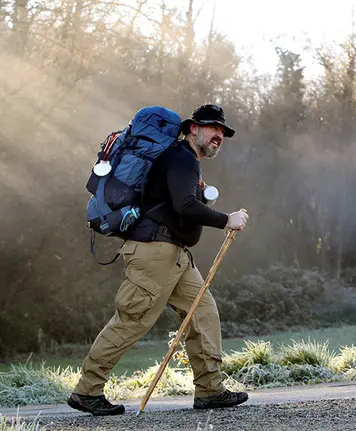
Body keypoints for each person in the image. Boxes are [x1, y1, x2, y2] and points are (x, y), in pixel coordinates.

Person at [67, 104, 250, 416]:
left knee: (202, 312)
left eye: (223, 132)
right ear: (194, 128)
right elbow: (185, 205)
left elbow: (181, 204)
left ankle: (209, 389)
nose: (219, 135)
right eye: (212, 128)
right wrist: (225, 219)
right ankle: (87, 390)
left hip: (174, 255)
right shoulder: (181, 158)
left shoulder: (185, 160)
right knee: (132, 321)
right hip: (154, 253)